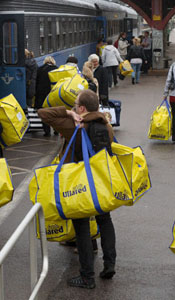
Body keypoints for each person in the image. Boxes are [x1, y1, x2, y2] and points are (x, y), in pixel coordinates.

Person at [37, 90, 117, 289]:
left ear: (81, 108)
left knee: (81, 229)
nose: (73, 107)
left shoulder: (74, 125)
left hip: (78, 185)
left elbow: (43, 113)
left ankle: (87, 277)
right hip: (100, 181)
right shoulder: (107, 125)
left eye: (75, 105)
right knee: (105, 221)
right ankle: (109, 265)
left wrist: (67, 113)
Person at [35, 56, 58, 136]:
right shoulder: (57, 69)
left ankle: (47, 131)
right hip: (53, 94)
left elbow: (36, 82)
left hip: (42, 95)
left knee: (44, 113)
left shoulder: (40, 69)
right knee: (54, 112)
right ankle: (56, 130)